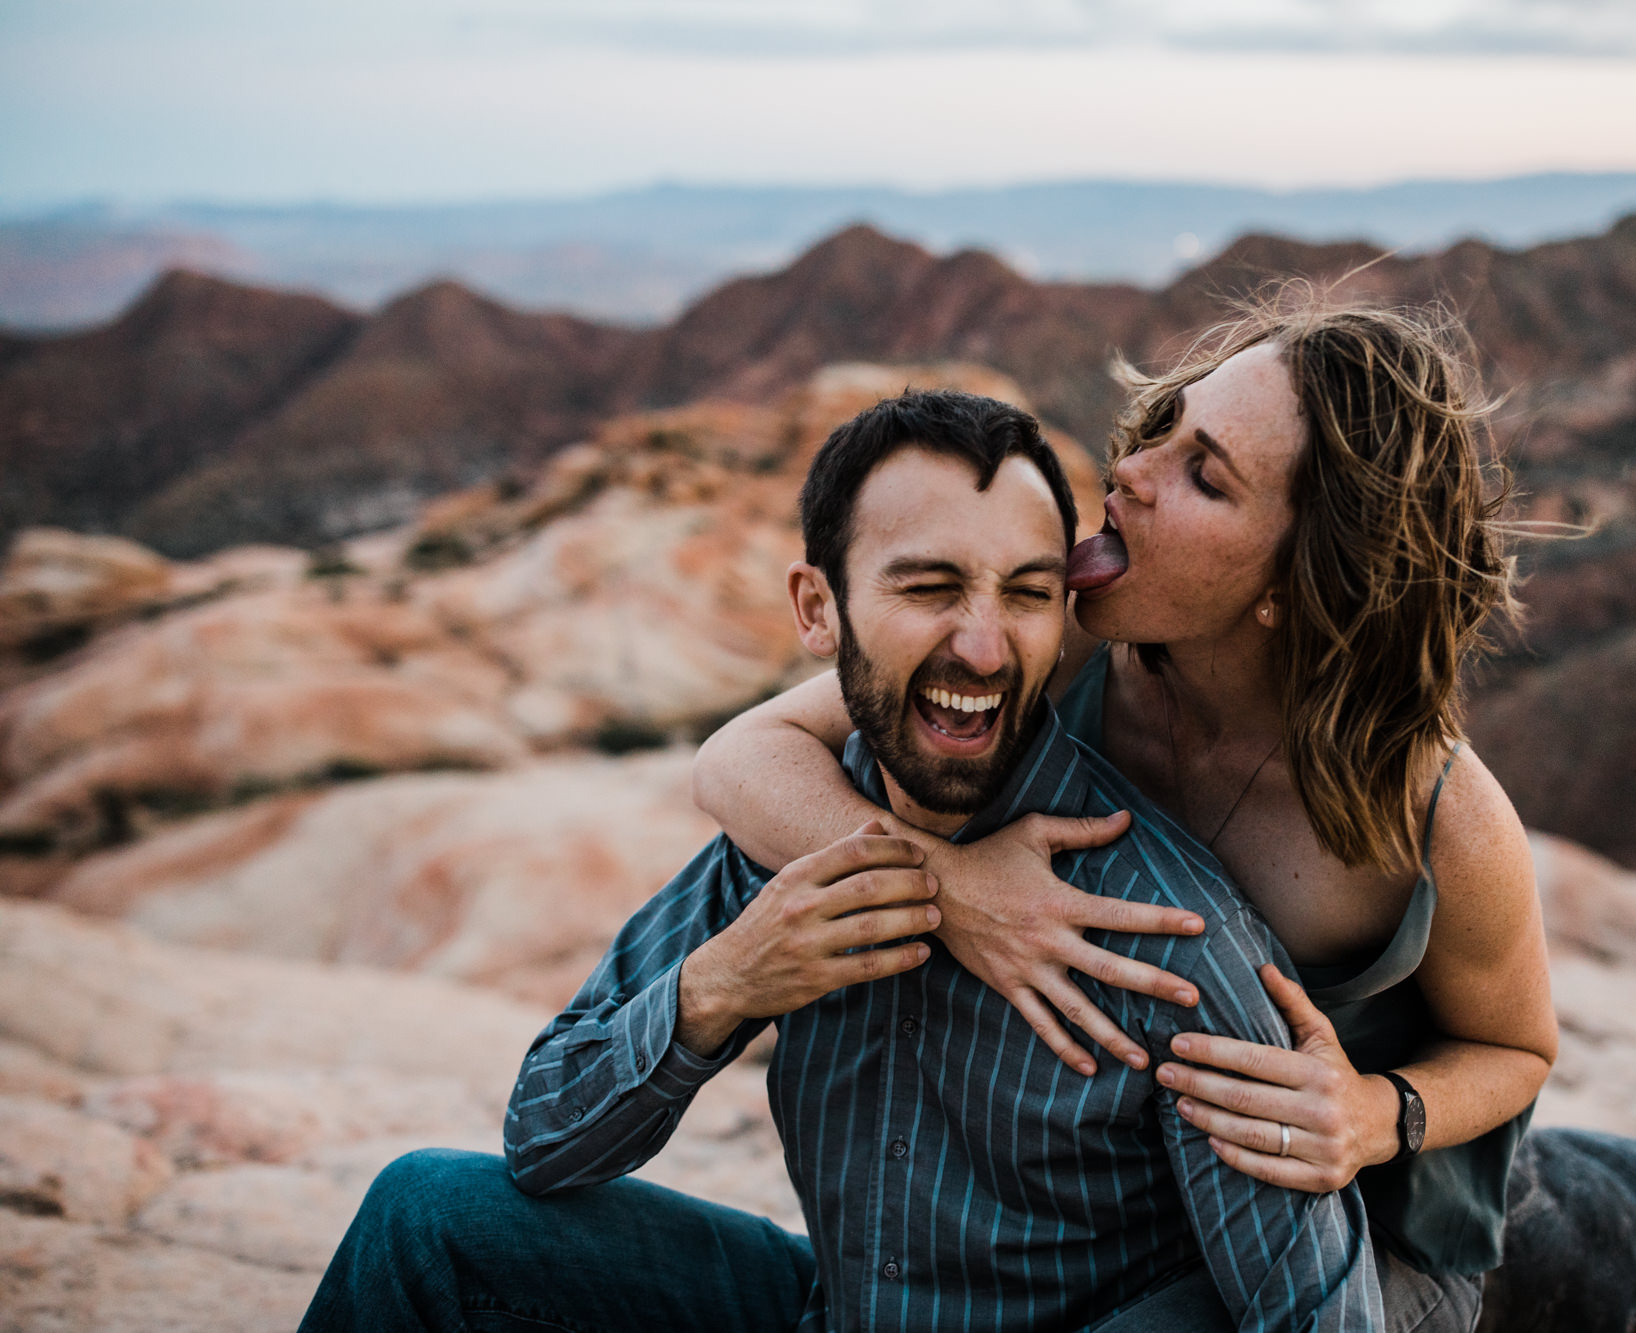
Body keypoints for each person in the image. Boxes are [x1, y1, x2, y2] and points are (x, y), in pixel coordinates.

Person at [298, 388, 1386, 1332]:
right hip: (832, 1311)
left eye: (1023, 591)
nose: (980, 645)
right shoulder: (787, 845)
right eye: (926, 588)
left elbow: (1314, 1312)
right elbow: (543, 1138)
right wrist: (724, 987)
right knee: (425, 1218)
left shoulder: (1164, 940)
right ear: (819, 609)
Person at [694, 303, 1561, 1328]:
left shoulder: (1425, 811)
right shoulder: (1052, 654)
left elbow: (1516, 1050)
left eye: (1204, 474)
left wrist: (1375, 1114)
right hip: (1126, 1218)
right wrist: (950, 888)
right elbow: (740, 757)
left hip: (1358, 1238)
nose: (1129, 471)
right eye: (1162, 428)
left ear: (1297, 577)